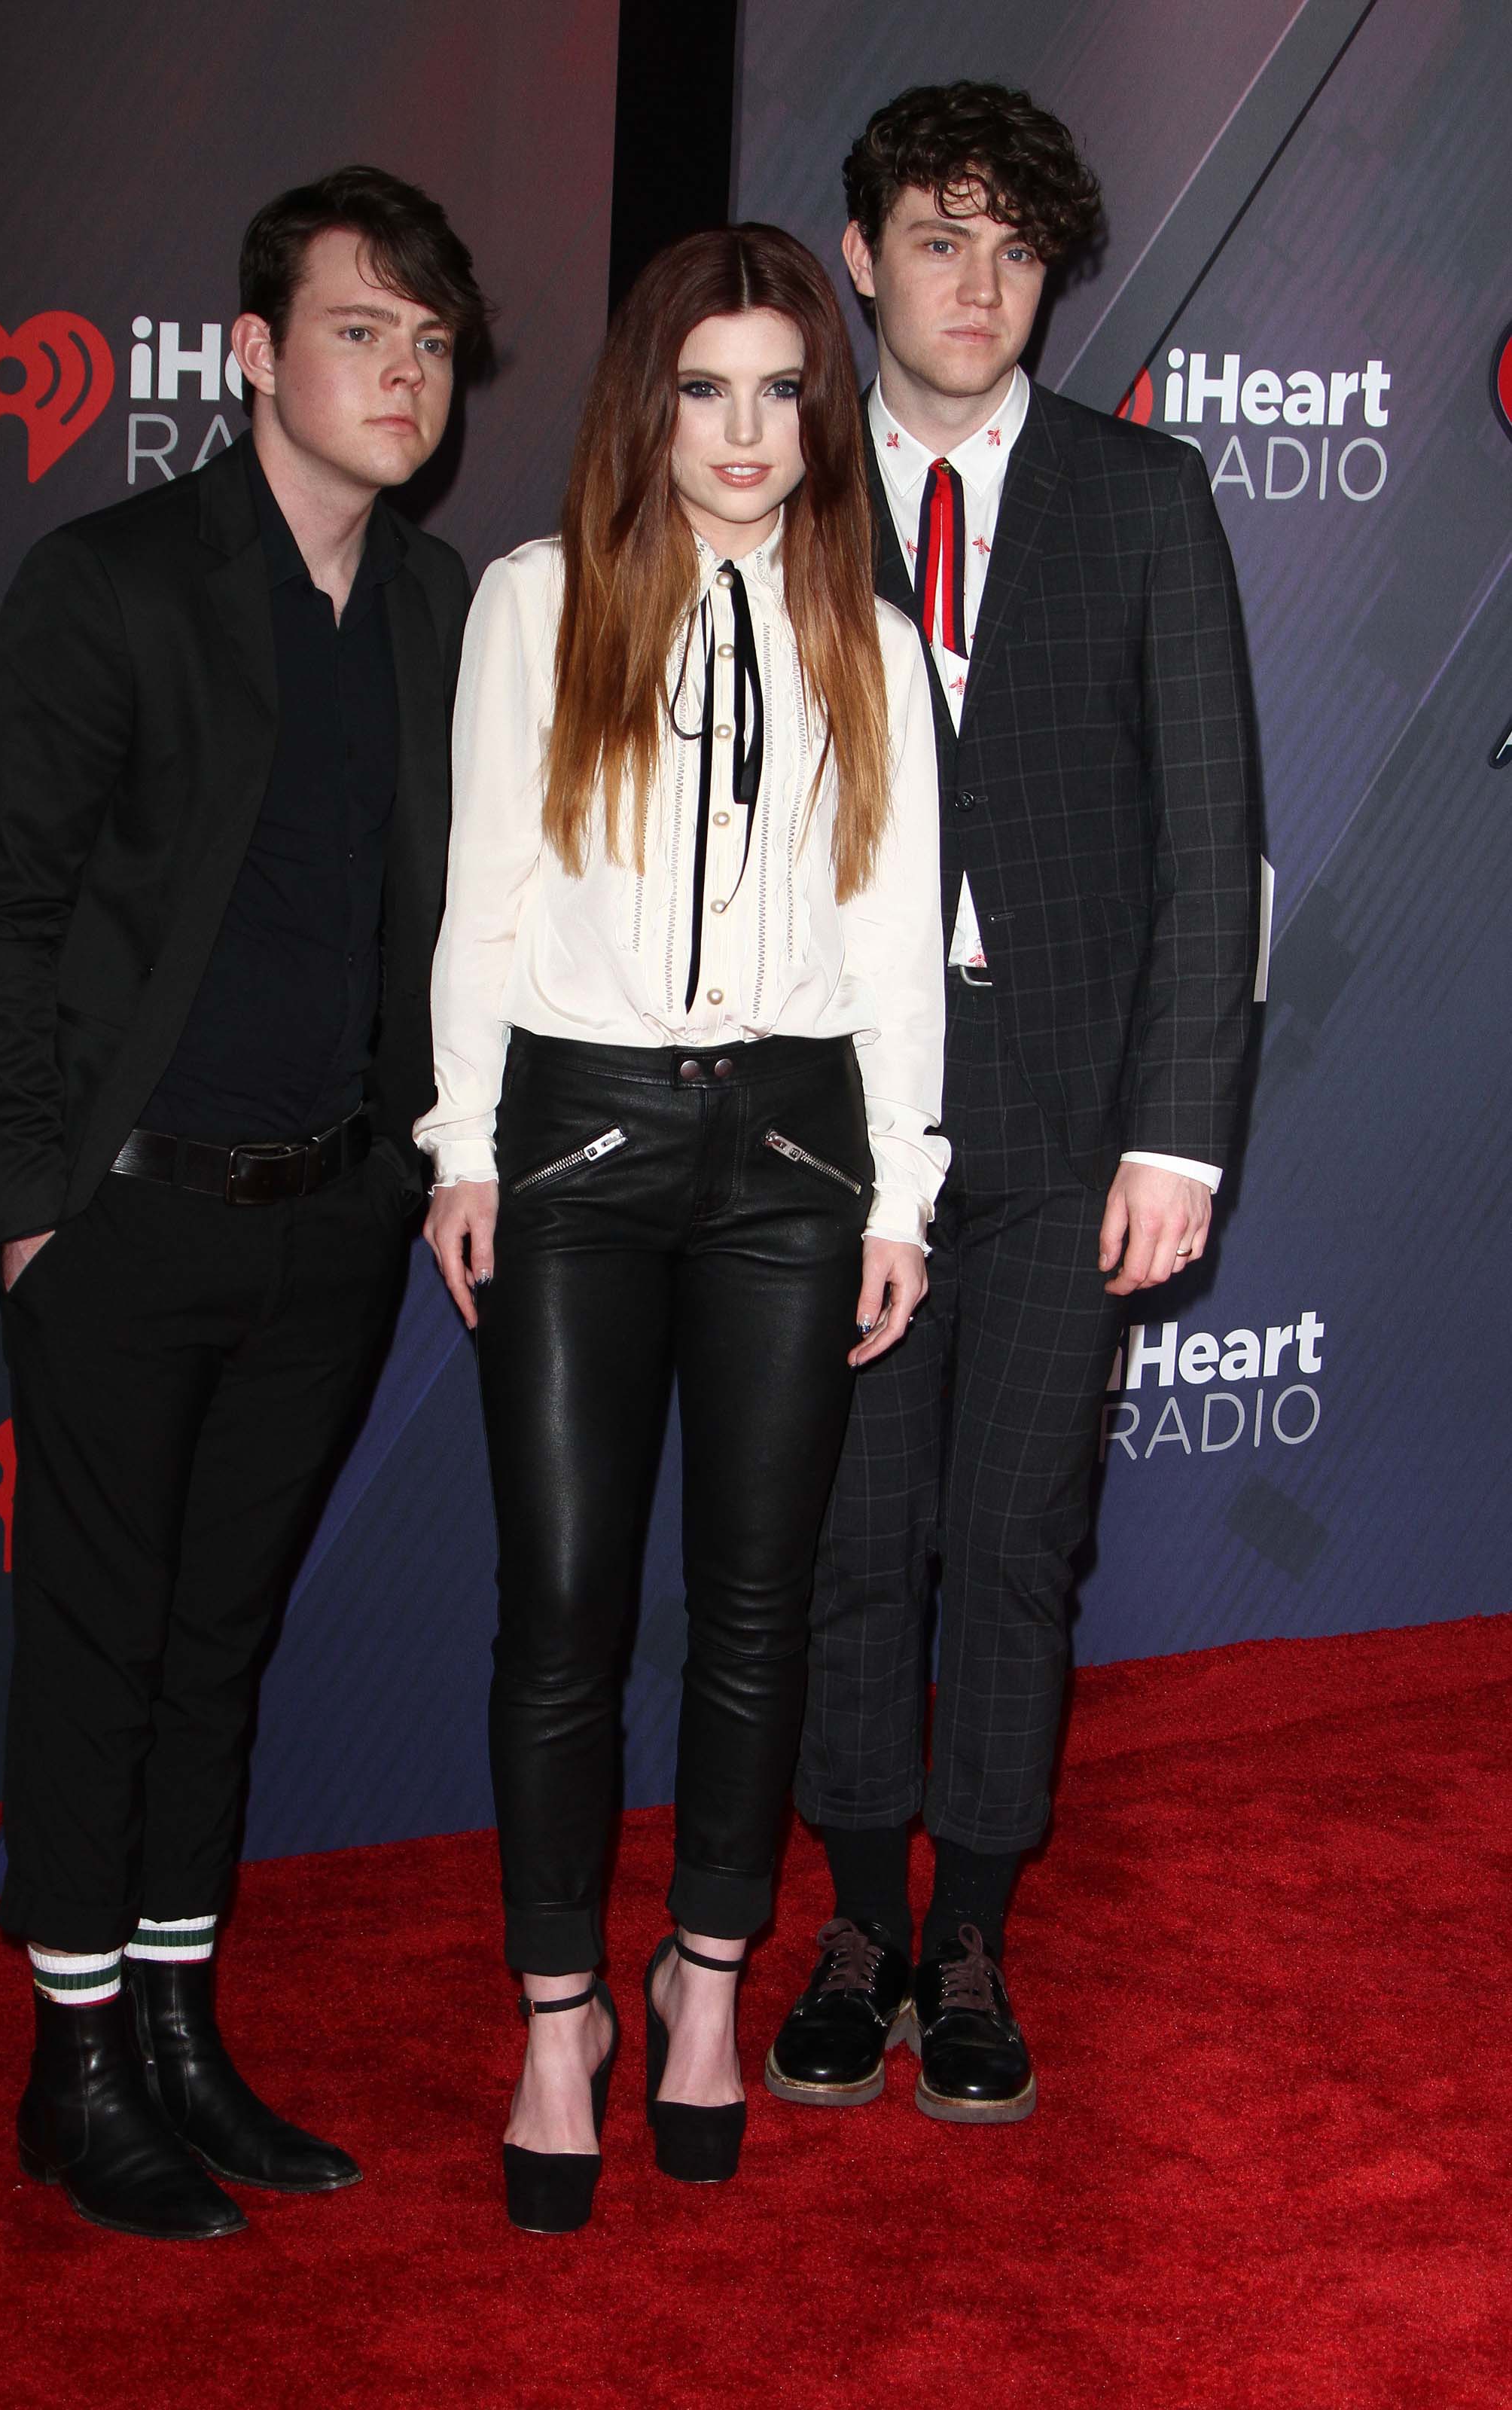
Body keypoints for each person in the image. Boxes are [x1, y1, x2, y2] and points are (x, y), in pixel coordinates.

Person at [0, 166, 486, 2239]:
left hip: (333, 1222)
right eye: (363, 330)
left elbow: (459, 928)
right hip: (127, 1223)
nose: (404, 372)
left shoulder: (448, 615)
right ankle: (71, 2067)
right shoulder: (109, 581)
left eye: (431, 342)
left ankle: (176, 2025)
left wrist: (434, 1165)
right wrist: (26, 1211)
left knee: (215, 1640)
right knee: (95, 1642)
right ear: (254, 353)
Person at [419, 224, 949, 2233]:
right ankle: (561, 2013)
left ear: (827, 408)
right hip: (573, 1142)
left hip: (798, 1163)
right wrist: (463, 1146)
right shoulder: (535, 604)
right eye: (705, 387)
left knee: (758, 1607)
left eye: (783, 389)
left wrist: (902, 1184)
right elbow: (480, 894)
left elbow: (895, 937)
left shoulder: (871, 642)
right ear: (650, 400)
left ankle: (704, 1983)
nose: (743, 433)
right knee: (562, 1609)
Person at [765, 81, 1260, 2123]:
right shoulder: (769, 489)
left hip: (1069, 1134)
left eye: (1017, 246)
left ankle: (970, 1933)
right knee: (850, 1547)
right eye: (938, 238)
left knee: (1018, 1539)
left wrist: (1183, 1126)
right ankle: (858, 1921)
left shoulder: (1143, 499)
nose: (980, 283)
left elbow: (1211, 839)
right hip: (824, 1137)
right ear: (861, 256)